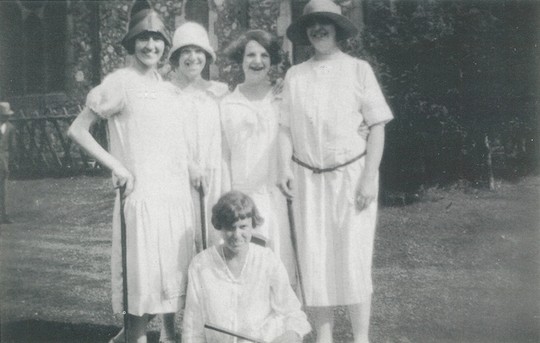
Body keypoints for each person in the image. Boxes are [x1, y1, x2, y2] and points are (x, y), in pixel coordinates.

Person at [68, 1, 195, 342]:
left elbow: (175, 143)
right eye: (143, 38)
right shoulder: (120, 82)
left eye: (156, 39)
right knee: (141, 285)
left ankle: (168, 335)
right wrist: (117, 165)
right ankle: (132, 338)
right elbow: (78, 130)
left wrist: (192, 168)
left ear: (165, 45)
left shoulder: (169, 89)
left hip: (175, 197)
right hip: (142, 198)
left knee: (171, 281)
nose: (150, 46)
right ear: (131, 43)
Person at [278, 0, 394, 342]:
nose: (319, 29)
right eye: (312, 24)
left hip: (351, 177)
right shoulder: (295, 74)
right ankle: (324, 337)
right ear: (305, 31)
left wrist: (369, 176)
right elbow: (285, 128)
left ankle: (361, 337)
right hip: (307, 180)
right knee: (315, 260)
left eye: (325, 23)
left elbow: (377, 126)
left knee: (353, 256)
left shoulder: (358, 70)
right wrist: (284, 168)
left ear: (338, 29)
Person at [182, 191, 311, 343]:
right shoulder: (200, 265)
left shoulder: (267, 260)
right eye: (230, 227)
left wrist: (290, 336)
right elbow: (193, 327)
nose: (237, 235)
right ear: (220, 227)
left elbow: (293, 313)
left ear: (252, 225)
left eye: (243, 227)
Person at [220, 30, 296, 283]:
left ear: (271, 61)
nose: (257, 61)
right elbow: (223, 155)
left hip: (277, 197)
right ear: (240, 60)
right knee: (247, 271)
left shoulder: (282, 98)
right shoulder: (227, 104)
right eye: (250, 54)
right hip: (242, 198)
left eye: (264, 55)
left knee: (279, 269)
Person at [168, 22, 228, 249]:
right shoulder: (168, 94)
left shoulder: (219, 92)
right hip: (180, 176)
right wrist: (189, 166)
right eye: (185, 51)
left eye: (198, 51)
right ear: (176, 57)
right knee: (185, 236)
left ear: (206, 56)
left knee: (216, 234)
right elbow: (166, 139)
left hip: (216, 175)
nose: (192, 58)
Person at [0, 102, 15, 224]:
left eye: (7, 115)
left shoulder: (10, 128)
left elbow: (12, 146)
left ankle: (3, 215)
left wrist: (10, 162)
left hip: (4, 162)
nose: (6, 118)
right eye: (4, 115)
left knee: (3, 190)